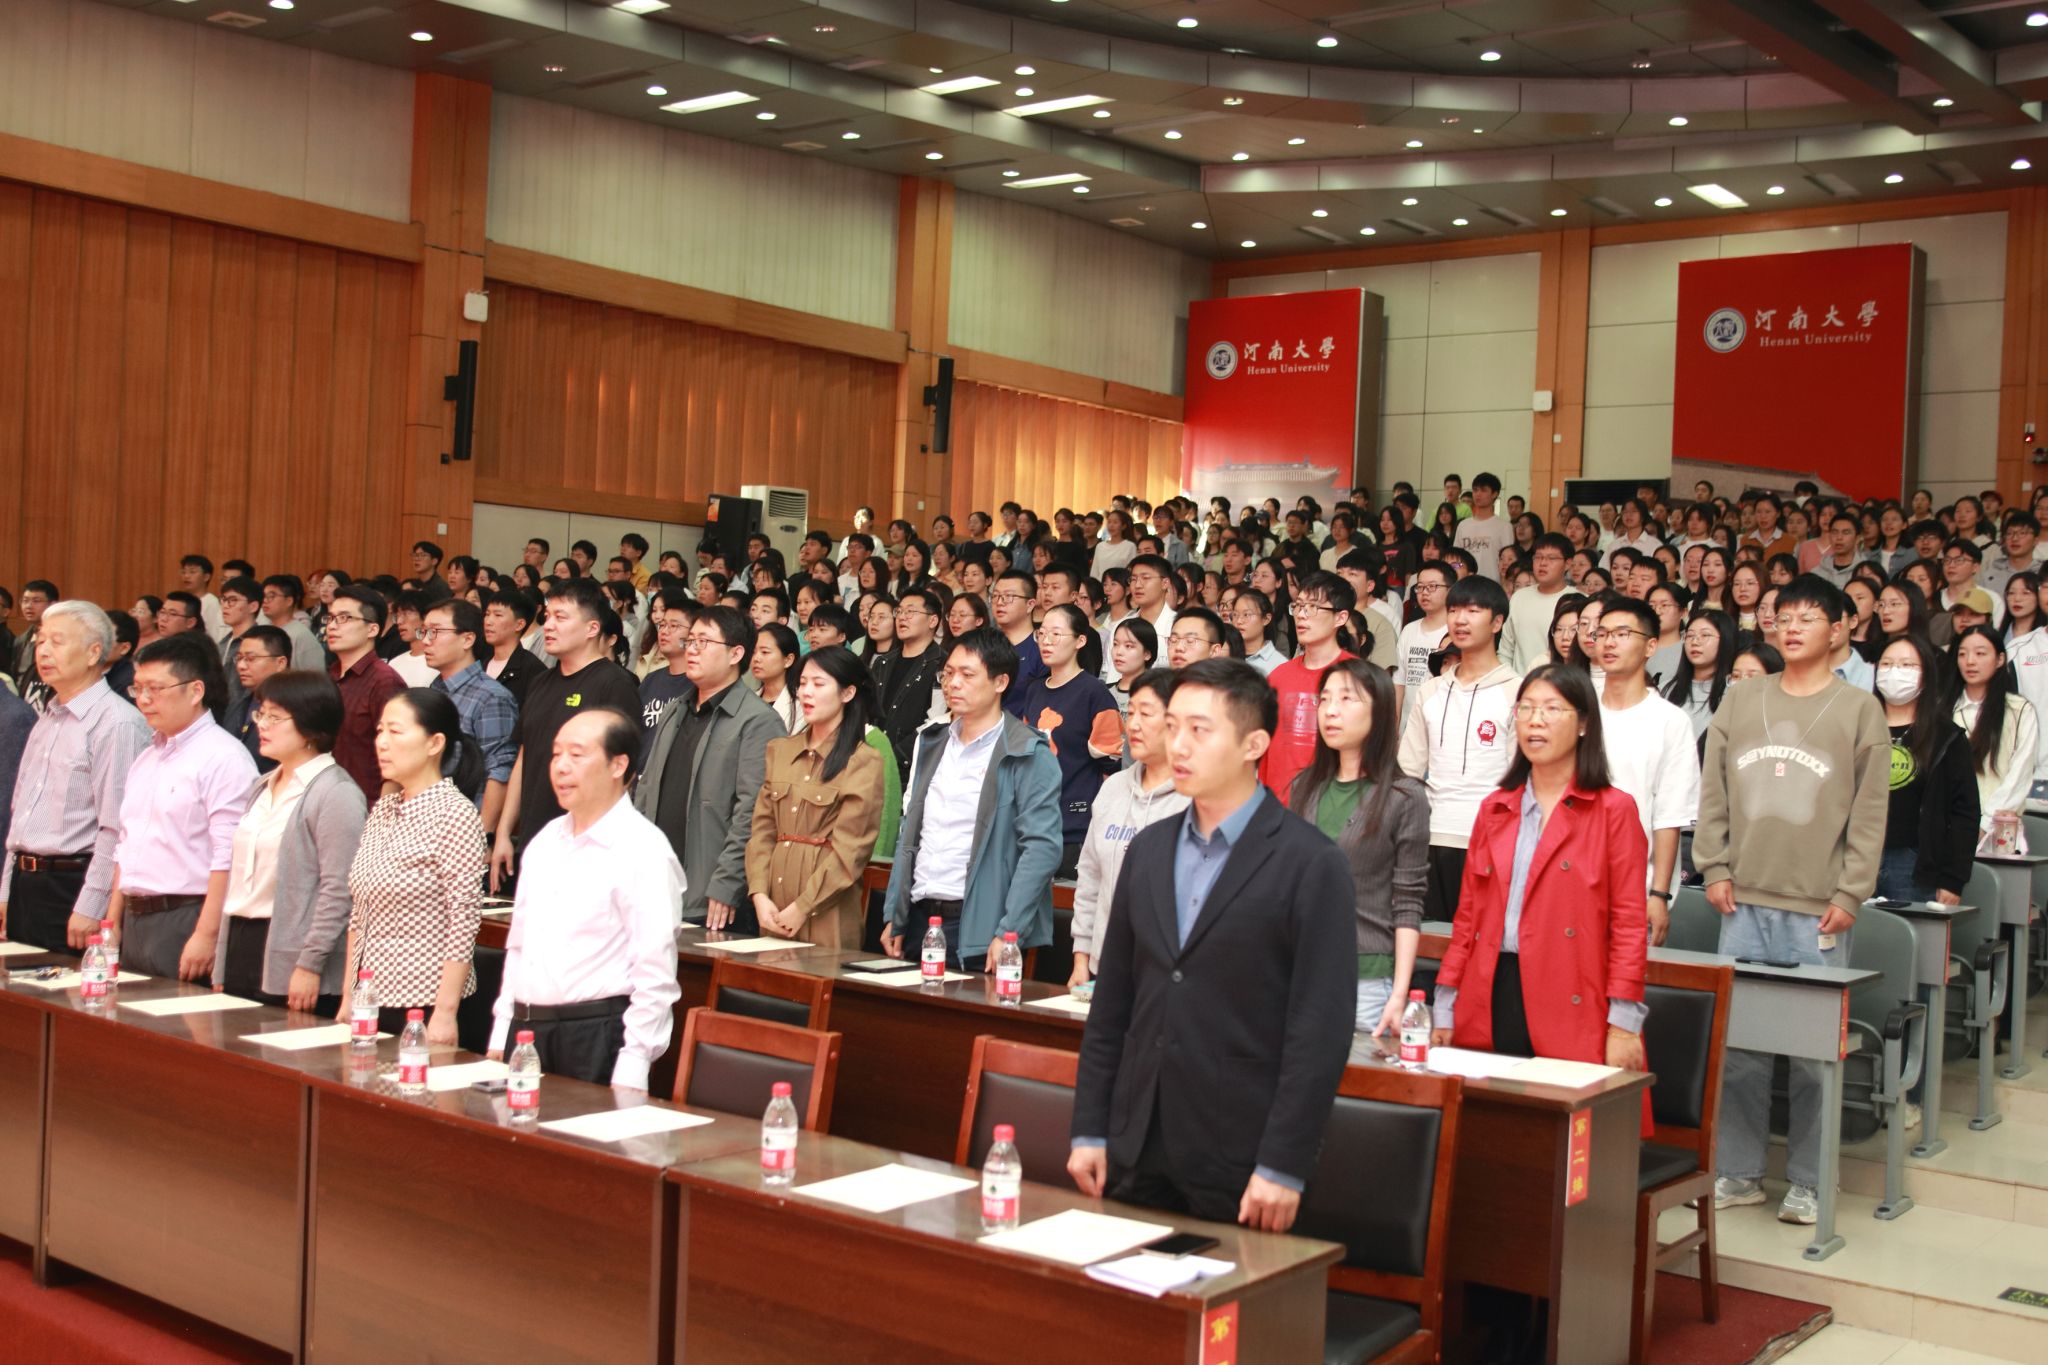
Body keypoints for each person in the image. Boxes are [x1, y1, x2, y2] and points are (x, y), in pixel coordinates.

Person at [1069, 659, 1355, 1230]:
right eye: (1173, 726)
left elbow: (1319, 1032)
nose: (1178, 745)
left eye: (1200, 730)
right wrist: (1090, 1128)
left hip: (1241, 1154)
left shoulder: (1310, 863)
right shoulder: (1149, 850)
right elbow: (1113, 1004)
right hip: (1136, 1142)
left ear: (1254, 744)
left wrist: (1283, 1163)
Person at [1698, 575, 1888, 1226]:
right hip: (1740, 901)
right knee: (1740, 1049)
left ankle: (1810, 1180)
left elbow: (1870, 813)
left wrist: (1851, 890)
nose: (1794, 626)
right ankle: (1740, 1171)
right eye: (1785, 616)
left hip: (1819, 908)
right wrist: (1713, 866)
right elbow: (1713, 792)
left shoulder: (1859, 709)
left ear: (1838, 629)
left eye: (1810, 617)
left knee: (1812, 1055)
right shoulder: (1742, 698)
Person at [1430, 664, 1649, 1092]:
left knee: (1567, 1124)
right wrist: (1445, 1002)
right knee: (1490, 1122)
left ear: (1584, 723)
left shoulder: (1613, 811)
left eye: (1552, 709)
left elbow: (1629, 925)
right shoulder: (1495, 808)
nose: (1535, 720)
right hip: (1491, 989)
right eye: (1526, 708)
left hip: (1570, 993)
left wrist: (1624, 1024)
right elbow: (1467, 919)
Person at [488, 708, 682, 1089]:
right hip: (525, 1033)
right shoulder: (545, 841)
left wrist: (634, 1063)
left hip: (594, 1036)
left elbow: (655, 973)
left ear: (618, 765)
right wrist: (502, 1029)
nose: (561, 767)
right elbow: (520, 947)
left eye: (576, 755)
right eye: (556, 754)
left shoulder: (643, 849)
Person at [880, 628, 1062, 971]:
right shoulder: (931, 742)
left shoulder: (1028, 752)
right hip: (919, 919)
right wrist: (895, 913)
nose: (953, 683)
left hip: (980, 926)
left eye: (967, 674)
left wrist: (1009, 932)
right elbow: (910, 833)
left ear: (1000, 682)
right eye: (948, 673)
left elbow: (1041, 849)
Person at [211, 671, 366, 1013]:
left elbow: (339, 889)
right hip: (242, 940)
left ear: (310, 725)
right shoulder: (263, 785)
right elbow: (239, 881)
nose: (262, 725)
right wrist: (222, 960)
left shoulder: (336, 792)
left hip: (293, 951)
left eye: (275, 717)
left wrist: (310, 963)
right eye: (261, 714)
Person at [102, 634, 255, 980]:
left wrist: (206, 934)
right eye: (138, 688)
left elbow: (228, 856)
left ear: (195, 690)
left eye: (155, 689)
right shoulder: (146, 757)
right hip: (134, 915)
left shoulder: (224, 758)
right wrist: (112, 921)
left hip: (185, 915)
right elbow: (125, 844)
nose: (143, 699)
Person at [1, 602, 150, 952]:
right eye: (40, 641)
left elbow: (117, 827)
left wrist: (92, 905)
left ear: (93, 652)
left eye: (57, 641)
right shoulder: (47, 717)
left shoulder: (117, 722)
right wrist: (6, 891)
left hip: (72, 885)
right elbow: (20, 814)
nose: (44, 651)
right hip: (25, 882)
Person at [343, 689, 489, 1047]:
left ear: (434, 743)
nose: (382, 742)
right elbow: (359, 913)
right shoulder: (384, 809)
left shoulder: (454, 813)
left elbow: (464, 919)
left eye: (395, 731)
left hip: (423, 1001)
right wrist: (348, 996)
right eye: (380, 731)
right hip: (369, 996)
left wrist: (445, 1012)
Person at [1292, 659, 1430, 1036]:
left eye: (1346, 699)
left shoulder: (1404, 797)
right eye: (1324, 699)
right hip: (1302, 970)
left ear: (1379, 711)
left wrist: (1399, 994)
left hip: (1366, 978)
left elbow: (1408, 902)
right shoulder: (1305, 786)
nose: (1330, 710)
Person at [634, 604, 781, 931]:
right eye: (691, 641)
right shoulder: (675, 709)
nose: (692, 650)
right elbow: (645, 791)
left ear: (736, 654)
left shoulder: (758, 721)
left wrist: (728, 883)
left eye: (704, 642)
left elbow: (754, 813)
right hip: (656, 885)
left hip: (711, 896)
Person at [491, 579, 643, 888]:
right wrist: (504, 832)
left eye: (561, 617)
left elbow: (624, 774)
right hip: (535, 841)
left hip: (586, 851)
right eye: (547, 616)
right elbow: (524, 757)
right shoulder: (540, 682)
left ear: (591, 628)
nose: (548, 625)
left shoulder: (614, 684)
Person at [744, 647, 886, 949]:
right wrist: (759, 894)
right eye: (802, 683)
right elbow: (762, 832)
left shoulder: (863, 760)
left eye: (818, 684)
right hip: (773, 907)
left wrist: (803, 907)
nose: (806, 692)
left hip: (827, 913)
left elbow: (851, 852)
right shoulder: (780, 750)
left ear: (847, 693)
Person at [1399, 575, 1521, 920]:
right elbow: (1408, 769)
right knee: (1430, 941)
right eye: (1453, 610)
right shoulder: (1431, 691)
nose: (1460, 620)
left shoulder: (1518, 691)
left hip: (1490, 841)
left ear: (1497, 622)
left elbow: (1521, 777)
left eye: (1473, 611)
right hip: (1430, 838)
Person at [1068, 670, 1188, 988]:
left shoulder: (1195, 798)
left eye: (1145, 714)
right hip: (1103, 967)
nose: (1132, 724)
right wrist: (1081, 958)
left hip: (1166, 977)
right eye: (1130, 712)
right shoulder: (1113, 789)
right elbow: (1090, 879)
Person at [1593, 598, 1699, 939]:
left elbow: (1669, 816)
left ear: (1651, 646)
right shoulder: (1578, 709)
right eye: (1602, 633)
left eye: (1622, 634)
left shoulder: (1670, 721)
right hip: (1572, 878)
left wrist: (1659, 894)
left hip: (1635, 886)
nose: (1609, 642)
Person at [1017, 604, 1124, 878]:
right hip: (1034, 822)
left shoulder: (1094, 693)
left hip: (1076, 825)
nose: (1046, 641)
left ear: (1080, 641)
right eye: (1042, 634)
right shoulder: (1034, 689)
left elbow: (1113, 762)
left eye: (1056, 634)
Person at [1870, 635, 1977, 906]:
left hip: (1914, 863)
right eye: (1887, 664)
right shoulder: (1857, 727)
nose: (1894, 672)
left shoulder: (1947, 737)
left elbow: (1965, 812)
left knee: (1908, 933)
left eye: (1907, 665)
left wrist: (1953, 878)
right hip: (1858, 857)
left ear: (1926, 676)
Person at [1261, 572, 1357, 805]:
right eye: (1298, 606)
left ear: (1340, 617)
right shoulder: (1278, 676)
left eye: (1313, 607)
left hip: (1331, 809)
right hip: (1276, 806)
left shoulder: (1356, 677)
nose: (1301, 615)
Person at [422, 600, 517, 832]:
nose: (425, 640)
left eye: (435, 631)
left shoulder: (491, 697)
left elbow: (500, 771)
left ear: (467, 639)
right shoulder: (435, 688)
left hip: (462, 829)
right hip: (427, 822)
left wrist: (483, 836)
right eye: (423, 631)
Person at [1953, 625, 2040, 839]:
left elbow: (2020, 773)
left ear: (2000, 659)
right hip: (1950, 827)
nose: (1970, 661)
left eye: (1980, 653)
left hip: (2000, 829)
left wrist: (1985, 823)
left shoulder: (2019, 710)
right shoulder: (1945, 709)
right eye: (1962, 654)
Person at [322, 585, 405, 801]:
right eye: (330, 618)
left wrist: (381, 815)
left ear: (372, 630)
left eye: (344, 618)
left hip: (366, 804)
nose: (332, 626)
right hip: (327, 798)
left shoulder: (384, 681)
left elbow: (398, 758)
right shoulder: (330, 676)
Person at [872, 586, 947, 778]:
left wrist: (895, 756)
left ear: (933, 620)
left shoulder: (943, 664)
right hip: (871, 761)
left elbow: (937, 721)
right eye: (899, 611)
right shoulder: (883, 662)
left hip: (912, 768)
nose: (902, 617)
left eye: (910, 611)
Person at [1501, 533, 1572, 674]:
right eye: (1538, 557)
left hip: (1560, 681)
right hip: (1518, 682)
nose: (1543, 563)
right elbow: (1506, 650)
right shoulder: (1519, 597)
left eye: (1551, 558)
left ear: (1568, 563)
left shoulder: (1577, 600)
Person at [225, 624, 293, 772]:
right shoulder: (236, 706)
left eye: (250, 658)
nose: (241, 666)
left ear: (280, 663)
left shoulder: (294, 710)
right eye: (239, 658)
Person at [1666, 609, 1738, 742]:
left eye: (1705, 635)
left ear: (1725, 640)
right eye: (1690, 635)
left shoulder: (1734, 690)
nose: (1695, 641)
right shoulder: (1666, 688)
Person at [480, 589, 544, 704]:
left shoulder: (533, 670)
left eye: (498, 615)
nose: (488, 621)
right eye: (487, 614)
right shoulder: (481, 664)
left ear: (519, 624)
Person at [1452, 473, 1513, 582]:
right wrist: (1461, 570)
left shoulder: (1504, 527)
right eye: (1475, 490)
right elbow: (1456, 561)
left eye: (1483, 490)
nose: (1478, 494)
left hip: (1493, 584)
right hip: (1466, 584)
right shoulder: (1463, 525)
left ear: (1494, 494)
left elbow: (1508, 562)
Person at [262, 576, 326, 671]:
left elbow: (315, 676)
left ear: (289, 601)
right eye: (263, 596)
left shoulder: (301, 636)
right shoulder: (264, 631)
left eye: (271, 596)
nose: (264, 601)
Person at [752, 623, 800, 733]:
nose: (756, 658)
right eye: (753, 652)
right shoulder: (749, 699)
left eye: (765, 652)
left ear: (788, 660)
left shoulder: (801, 702)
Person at [1229, 588, 1284, 676]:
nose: (1239, 621)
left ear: (1266, 619)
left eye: (1246, 615)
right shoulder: (1225, 655)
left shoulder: (1279, 665)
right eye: (1235, 615)